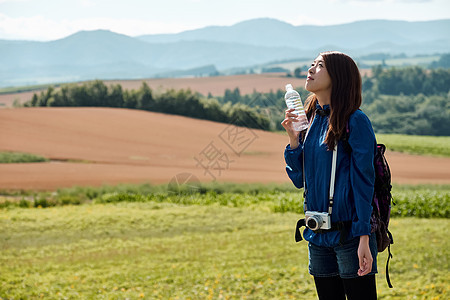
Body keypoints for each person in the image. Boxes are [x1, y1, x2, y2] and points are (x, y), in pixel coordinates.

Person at [282, 51, 378, 300]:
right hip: (317, 236)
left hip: (350, 237)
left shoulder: (355, 121)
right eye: (312, 64)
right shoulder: (310, 119)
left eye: (320, 65)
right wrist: (294, 141)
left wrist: (364, 237)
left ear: (338, 76)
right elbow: (299, 179)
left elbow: (364, 182)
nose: (311, 69)